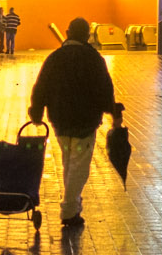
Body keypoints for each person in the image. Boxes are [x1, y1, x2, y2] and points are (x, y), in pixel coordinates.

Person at [27, 17, 121, 226]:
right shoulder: (93, 58)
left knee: (69, 161)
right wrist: (113, 112)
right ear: (87, 35)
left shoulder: (55, 58)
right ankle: (69, 210)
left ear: (68, 32)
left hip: (60, 119)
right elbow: (104, 89)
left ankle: (73, 206)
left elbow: (41, 86)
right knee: (78, 166)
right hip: (85, 122)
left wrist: (36, 111)